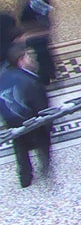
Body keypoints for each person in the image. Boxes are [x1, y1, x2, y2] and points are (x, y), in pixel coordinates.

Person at [0, 42, 50, 188]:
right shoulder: (29, 80)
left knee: (20, 147)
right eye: (28, 56)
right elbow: (39, 103)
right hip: (32, 119)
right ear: (21, 60)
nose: (31, 58)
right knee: (42, 143)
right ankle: (45, 167)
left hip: (13, 121)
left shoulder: (4, 76)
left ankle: (25, 177)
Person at [14, 0, 54, 86]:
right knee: (44, 53)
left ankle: (46, 76)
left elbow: (41, 15)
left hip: (38, 32)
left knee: (42, 54)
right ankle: (50, 72)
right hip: (38, 31)